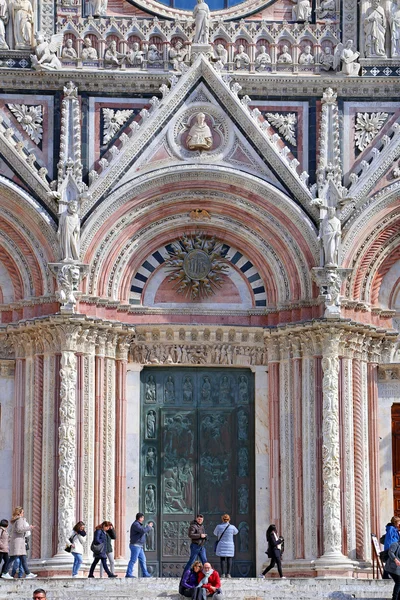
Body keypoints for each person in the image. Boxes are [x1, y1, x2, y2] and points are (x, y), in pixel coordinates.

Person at [1, 507, 36, 579]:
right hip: (18, 542)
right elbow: (19, 529)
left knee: (23, 558)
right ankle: (5, 573)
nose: (23, 514)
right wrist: (29, 527)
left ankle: (28, 573)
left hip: (20, 542)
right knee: (13, 557)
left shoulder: (17, 520)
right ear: (19, 513)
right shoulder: (20, 519)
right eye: (22, 512)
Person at [125, 512, 153, 578]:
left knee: (143, 559)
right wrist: (149, 527)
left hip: (139, 546)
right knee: (133, 560)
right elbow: (142, 531)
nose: (143, 519)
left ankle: (145, 573)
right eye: (142, 517)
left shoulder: (138, 524)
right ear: (140, 518)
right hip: (135, 545)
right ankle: (128, 573)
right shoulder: (136, 524)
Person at [213, 514, 238, 578]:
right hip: (230, 545)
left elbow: (215, 533)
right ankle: (228, 573)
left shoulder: (219, 526)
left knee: (222, 559)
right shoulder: (232, 527)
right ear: (229, 519)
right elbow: (236, 532)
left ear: (222, 519)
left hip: (221, 544)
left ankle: (223, 573)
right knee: (229, 559)